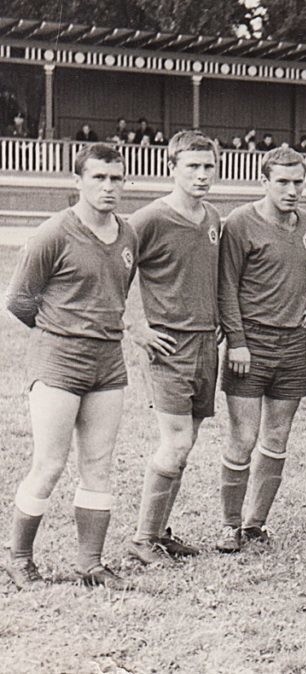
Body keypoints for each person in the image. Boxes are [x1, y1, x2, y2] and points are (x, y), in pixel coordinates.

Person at [4, 143, 137, 589]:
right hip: (59, 361)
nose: (108, 186)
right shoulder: (54, 233)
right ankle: (20, 560)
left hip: (108, 362)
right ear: (77, 181)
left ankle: (90, 564)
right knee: (49, 463)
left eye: (116, 178)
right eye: (98, 177)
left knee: (98, 463)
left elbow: (116, 293)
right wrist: (60, 331)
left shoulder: (127, 235)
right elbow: (19, 300)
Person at [215, 147, 306, 552]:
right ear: (265, 182)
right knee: (243, 437)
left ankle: (255, 524)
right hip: (251, 343)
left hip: (292, 344)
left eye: (298, 182)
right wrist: (237, 341)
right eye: (282, 182)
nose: (291, 190)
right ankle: (230, 525)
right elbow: (226, 285)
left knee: (277, 437)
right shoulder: (241, 222)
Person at [126, 130, 221, 564]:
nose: (202, 175)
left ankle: (160, 531)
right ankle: (142, 539)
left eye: (208, 166)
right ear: (172, 168)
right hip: (169, 345)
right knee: (176, 442)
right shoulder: (148, 219)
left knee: (188, 442)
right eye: (192, 167)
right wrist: (136, 328)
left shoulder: (213, 217)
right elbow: (109, 272)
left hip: (206, 342)